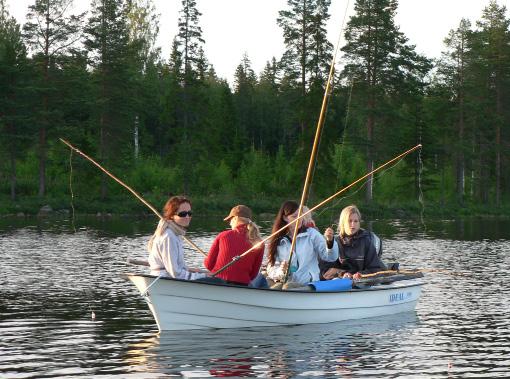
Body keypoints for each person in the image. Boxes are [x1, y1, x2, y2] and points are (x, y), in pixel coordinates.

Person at [266, 200, 338, 284]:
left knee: (287, 288)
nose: (299, 219)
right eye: (294, 216)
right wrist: (281, 271)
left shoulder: (312, 234)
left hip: (308, 284)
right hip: (285, 282)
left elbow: (330, 257)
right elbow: (271, 267)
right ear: (285, 218)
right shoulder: (278, 239)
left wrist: (330, 242)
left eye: (301, 215)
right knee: (264, 281)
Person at [147, 196, 207, 280]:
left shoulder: (175, 233)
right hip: (163, 279)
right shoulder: (169, 236)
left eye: (189, 213)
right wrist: (202, 276)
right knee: (216, 281)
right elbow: (175, 272)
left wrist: (196, 272)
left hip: (167, 278)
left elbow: (177, 268)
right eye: (182, 214)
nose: (187, 217)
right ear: (171, 215)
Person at [203, 205, 265, 286]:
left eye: (230, 220)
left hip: (219, 283)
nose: (230, 223)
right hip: (243, 285)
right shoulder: (259, 243)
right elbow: (253, 275)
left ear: (235, 218)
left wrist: (206, 259)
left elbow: (208, 265)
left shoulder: (222, 236)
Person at [321, 205, 386, 280]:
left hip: (362, 284)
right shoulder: (335, 242)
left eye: (356, 221)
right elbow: (325, 270)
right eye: (349, 221)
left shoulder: (366, 241)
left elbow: (375, 268)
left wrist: (359, 275)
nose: (353, 225)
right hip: (340, 283)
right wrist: (342, 273)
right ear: (343, 222)